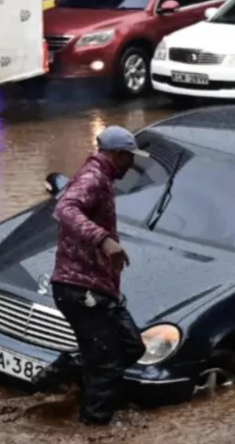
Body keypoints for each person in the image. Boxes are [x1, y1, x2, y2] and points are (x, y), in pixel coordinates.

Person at [31, 126, 148, 425]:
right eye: (130, 157)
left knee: (131, 347)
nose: (132, 164)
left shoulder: (101, 177)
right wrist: (104, 240)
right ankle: (92, 428)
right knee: (107, 367)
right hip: (80, 288)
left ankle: (68, 369)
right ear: (118, 154)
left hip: (99, 286)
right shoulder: (93, 178)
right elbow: (65, 209)